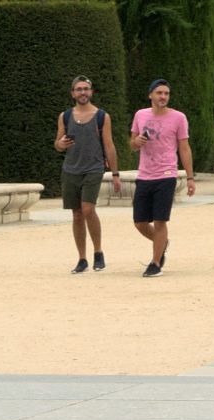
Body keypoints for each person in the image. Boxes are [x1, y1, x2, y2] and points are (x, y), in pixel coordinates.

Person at [127, 78, 194, 277]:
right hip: (144, 174)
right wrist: (136, 142)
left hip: (166, 174)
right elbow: (132, 144)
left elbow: (184, 148)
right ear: (150, 95)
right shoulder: (140, 115)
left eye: (166, 93)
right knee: (139, 222)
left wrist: (190, 178)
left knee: (160, 220)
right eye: (159, 93)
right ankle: (162, 242)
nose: (163, 97)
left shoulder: (178, 118)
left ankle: (155, 263)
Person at [50, 76, 116, 273]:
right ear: (73, 93)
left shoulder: (102, 116)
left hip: (93, 168)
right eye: (79, 89)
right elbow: (57, 144)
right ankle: (82, 258)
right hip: (71, 170)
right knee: (77, 214)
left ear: (91, 92)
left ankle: (98, 251)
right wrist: (61, 144)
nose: (83, 92)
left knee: (88, 209)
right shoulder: (65, 116)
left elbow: (109, 145)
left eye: (86, 89)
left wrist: (115, 173)